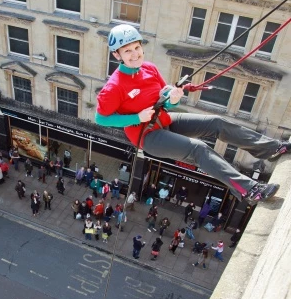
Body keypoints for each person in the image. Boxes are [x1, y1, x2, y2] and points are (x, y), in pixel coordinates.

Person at [95, 24, 286, 204]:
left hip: (164, 119)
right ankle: (250, 189)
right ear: (117, 55)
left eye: (136, 47)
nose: (135, 54)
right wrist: (136, 118)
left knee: (216, 122)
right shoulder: (114, 86)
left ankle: (271, 149)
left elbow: (166, 100)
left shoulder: (149, 68)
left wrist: (175, 97)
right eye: (127, 51)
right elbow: (100, 118)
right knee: (198, 149)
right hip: (148, 135)